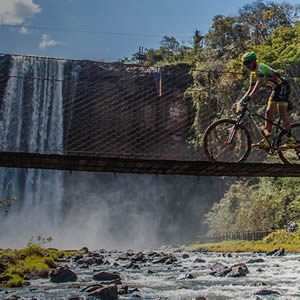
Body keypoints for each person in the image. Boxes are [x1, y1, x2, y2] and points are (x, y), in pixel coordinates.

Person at [237, 51, 296, 149]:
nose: (246, 66)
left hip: (283, 86)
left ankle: (291, 140)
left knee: (282, 113)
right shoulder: (253, 74)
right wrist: (241, 100)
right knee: (268, 112)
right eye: (244, 64)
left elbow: (259, 83)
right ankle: (267, 141)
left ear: (254, 61)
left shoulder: (261, 67)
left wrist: (251, 96)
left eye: (247, 63)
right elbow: (250, 89)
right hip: (276, 89)